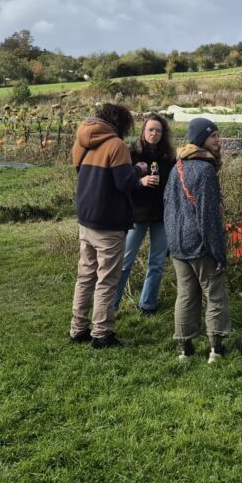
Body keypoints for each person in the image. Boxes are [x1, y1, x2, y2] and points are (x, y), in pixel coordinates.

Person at [69, 103, 151, 349]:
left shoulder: (82, 140)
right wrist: (138, 170)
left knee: (85, 276)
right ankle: (102, 334)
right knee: (106, 279)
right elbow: (124, 183)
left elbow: (80, 171)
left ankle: (78, 329)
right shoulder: (117, 145)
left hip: (86, 217)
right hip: (109, 221)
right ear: (122, 123)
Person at [163, 117, 230, 363]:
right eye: (213, 136)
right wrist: (218, 252)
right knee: (214, 294)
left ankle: (185, 350)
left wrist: (172, 241)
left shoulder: (177, 166)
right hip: (200, 243)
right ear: (201, 139)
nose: (218, 140)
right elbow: (208, 216)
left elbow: (167, 205)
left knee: (185, 295)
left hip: (177, 242)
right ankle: (216, 349)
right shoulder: (205, 170)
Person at [114, 113, 176, 315]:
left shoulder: (169, 157)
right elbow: (122, 183)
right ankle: (111, 305)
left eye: (158, 130)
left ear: (163, 133)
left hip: (161, 214)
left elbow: (174, 184)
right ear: (143, 131)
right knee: (125, 261)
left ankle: (148, 305)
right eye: (151, 129)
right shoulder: (131, 154)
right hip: (137, 214)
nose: (154, 133)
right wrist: (140, 182)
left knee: (157, 263)